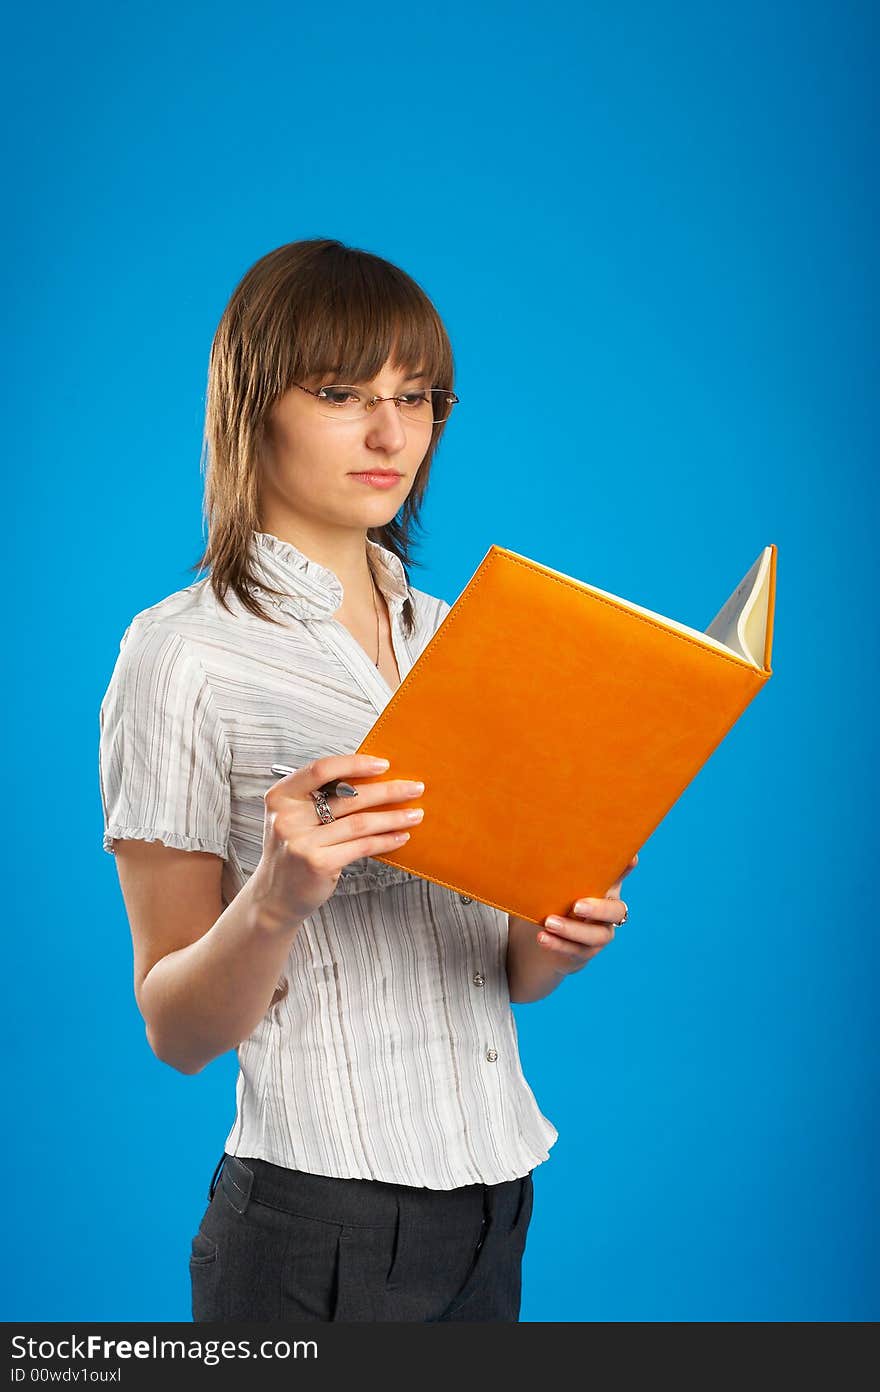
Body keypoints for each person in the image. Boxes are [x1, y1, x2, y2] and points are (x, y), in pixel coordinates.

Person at [98, 236, 637, 1323]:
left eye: (418, 395)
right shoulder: (180, 655)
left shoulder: (464, 640)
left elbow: (503, 974)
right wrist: (279, 895)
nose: (391, 432)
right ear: (255, 403)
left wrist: (552, 932)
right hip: (313, 1230)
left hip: (495, 1205)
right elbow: (175, 1032)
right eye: (342, 392)